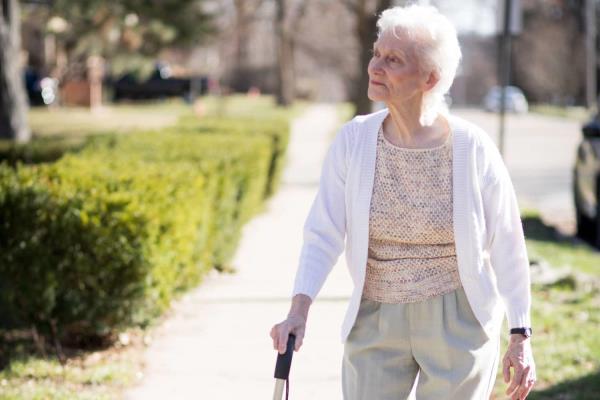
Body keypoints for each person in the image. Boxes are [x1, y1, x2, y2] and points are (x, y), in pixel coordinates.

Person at [270, 4, 536, 400]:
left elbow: (508, 244)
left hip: (458, 320)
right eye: (376, 54)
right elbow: (322, 233)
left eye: (393, 60)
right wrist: (298, 310)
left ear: (431, 77)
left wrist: (520, 333)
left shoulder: (472, 147)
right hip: (375, 316)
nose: (376, 66)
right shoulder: (354, 141)